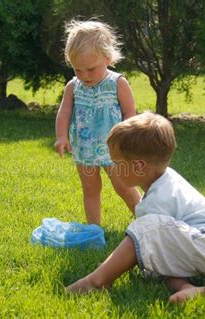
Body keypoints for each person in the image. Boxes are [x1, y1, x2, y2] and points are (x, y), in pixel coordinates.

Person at [66, 112, 205, 303]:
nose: (112, 169)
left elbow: (143, 240)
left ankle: (96, 282)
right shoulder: (166, 179)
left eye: (116, 164)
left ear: (138, 166)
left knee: (145, 231)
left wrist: (113, 266)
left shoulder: (158, 200)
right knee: (151, 254)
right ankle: (187, 288)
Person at [54, 20, 141, 225]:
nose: (84, 75)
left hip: (115, 150)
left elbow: (130, 112)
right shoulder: (73, 86)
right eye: (78, 70)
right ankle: (94, 228)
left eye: (91, 69)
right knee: (90, 188)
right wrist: (61, 136)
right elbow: (64, 112)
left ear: (107, 58)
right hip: (85, 150)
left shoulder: (117, 82)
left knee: (124, 186)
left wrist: (128, 140)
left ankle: (145, 221)